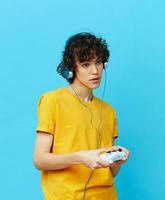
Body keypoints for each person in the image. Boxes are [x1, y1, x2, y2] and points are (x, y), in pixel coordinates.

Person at [33, 32, 130, 200]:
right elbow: (40, 159)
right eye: (86, 64)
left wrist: (116, 162)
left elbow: (109, 173)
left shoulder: (108, 111)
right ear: (72, 68)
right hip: (65, 196)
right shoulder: (52, 101)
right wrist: (80, 157)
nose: (95, 71)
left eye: (98, 62)